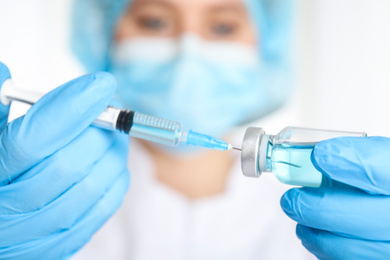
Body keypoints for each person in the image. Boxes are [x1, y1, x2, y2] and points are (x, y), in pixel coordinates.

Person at [0, 1, 389, 260]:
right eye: (154, 21)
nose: (188, 51)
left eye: (222, 26)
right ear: (106, 35)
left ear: (266, 44)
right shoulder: (39, 209)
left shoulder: (327, 221)